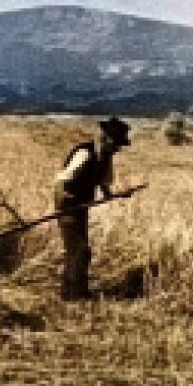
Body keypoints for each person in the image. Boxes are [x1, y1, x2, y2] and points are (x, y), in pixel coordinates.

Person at [54, 117, 133, 300]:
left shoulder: (105, 157)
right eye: (116, 143)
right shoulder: (85, 153)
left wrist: (112, 195)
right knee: (79, 250)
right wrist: (67, 203)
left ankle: (74, 292)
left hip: (81, 207)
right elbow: (62, 179)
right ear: (105, 138)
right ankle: (73, 294)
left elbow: (103, 181)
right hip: (68, 205)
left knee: (79, 250)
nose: (118, 148)